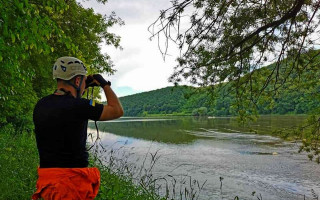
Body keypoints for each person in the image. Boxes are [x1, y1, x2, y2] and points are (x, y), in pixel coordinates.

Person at [32, 56, 123, 200]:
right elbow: (117, 110)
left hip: (47, 183)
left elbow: (64, 106)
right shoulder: (79, 106)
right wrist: (104, 84)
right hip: (70, 185)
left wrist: (81, 85)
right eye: (83, 80)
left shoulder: (41, 105)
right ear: (76, 81)